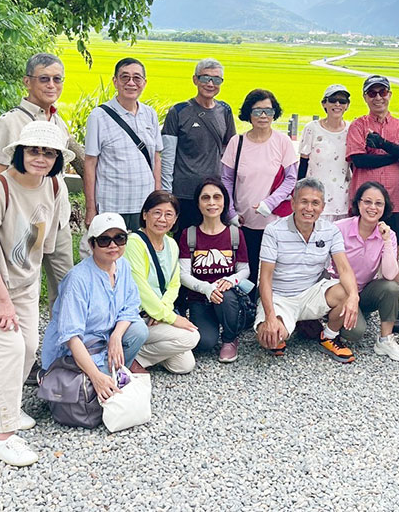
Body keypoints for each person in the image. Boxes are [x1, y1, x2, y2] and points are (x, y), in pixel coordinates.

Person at [0, 121, 71, 465]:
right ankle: (3, 436)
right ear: (20, 152)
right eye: (34, 150)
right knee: (9, 347)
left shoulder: (54, 187)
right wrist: (3, 299)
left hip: (23, 281)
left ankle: (2, 406)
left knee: (30, 346)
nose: (40, 157)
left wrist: (26, 287)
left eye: (48, 152)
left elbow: (45, 242)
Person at [0, 52, 84, 312]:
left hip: (58, 217)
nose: (51, 85)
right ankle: (17, 345)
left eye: (57, 79)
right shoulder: (9, 122)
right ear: (27, 82)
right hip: (22, 220)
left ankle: (62, 345)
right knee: (21, 285)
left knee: (66, 285)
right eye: (44, 79)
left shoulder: (57, 121)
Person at [41, 213, 149, 422]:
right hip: (77, 349)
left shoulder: (123, 266)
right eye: (104, 240)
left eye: (119, 238)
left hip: (105, 340)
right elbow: (71, 338)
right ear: (92, 244)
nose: (113, 245)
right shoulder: (78, 280)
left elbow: (130, 307)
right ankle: (93, 378)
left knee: (138, 330)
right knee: (103, 389)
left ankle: (113, 373)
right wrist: (96, 377)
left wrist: (117, 337)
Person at [254, 178, 361, 363]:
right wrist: (270, 317)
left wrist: (354, 297)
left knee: (345, 291)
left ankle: (328, 336)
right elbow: (265, 278)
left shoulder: (330, 230)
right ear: (293, 203)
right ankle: (288, 326)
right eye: (304, 201)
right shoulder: (273, 230)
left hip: (312, 293)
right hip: (281, 297)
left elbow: (344, 269)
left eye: (315, 203)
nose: (309, 208)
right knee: (268, 339)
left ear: (323, 206)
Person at [221, 89, 298, 294]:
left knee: (273, 267)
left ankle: (270, 308)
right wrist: (230, 213)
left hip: (274, 220)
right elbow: (226, 179)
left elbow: (291, 178)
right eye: (257, 111)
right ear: (248, 113)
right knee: (247, 267)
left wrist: (269, 203)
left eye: (268, 111)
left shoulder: (282, 142)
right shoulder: (237, 143)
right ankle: (247, 310)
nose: (263, 116)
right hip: (243, 221)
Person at [332, 182, 399, 361]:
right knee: (355, 333)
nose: (372, 207)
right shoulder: (340, 228)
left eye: (378, 203)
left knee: (391, 287)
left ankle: (385, 340)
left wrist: (387, 242)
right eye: (367, 202)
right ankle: (330, 318)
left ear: (385, 207)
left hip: (364, 292)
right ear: (358, 204)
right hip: (340, 292)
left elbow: (390, 275)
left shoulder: (387, 234)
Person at [84, 57, 161, 233]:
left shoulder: (150, 114)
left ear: (144, 82)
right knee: (110, 254)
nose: (131, 83)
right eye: (124, 77)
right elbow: (90, 163)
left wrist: (157, 198)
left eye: (137, 78)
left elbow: (156, 158)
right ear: (115, 81)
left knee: (141, 254)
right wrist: (90, 208)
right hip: (112, 204)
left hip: (144, 205)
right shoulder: (98, 116)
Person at [177, 179, 251, 363]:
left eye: (217, 197)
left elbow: (245, 269)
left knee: (224, 295)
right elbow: (183, 273)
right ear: (198, 203)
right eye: (206, 198)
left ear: (224, 202)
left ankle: (229, 338)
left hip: (228, 297)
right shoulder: (189, 234)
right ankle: (212, 328)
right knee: (205, 343)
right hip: (199, 299)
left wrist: (230, 280)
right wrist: (205, 288)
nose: (212, 203)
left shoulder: (234, 234)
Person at [126, 190, 200, 372]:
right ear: (145, 214)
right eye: (157, 213)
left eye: (169, 214)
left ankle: (138, 354)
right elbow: (139, 288)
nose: (162, 219)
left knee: (183, 366)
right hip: (137, 318)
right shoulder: (134, 243)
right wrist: (172, 318)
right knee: (191, 337)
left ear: (175, 219)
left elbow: (174, 284)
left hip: (157, 315)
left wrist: (162, 312)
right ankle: (133, 360)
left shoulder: (171, 244)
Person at [161, 58, 236, 231]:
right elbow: (168, 157)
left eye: (216, 80)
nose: (210, 84)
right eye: (205, 78)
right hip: (184, 192)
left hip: (214, 194)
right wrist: (166, 194)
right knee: (184, 242)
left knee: (212, 240)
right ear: (195, 79)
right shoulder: (179, 111)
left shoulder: (225, 110)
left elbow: (229, 150)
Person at [346, 75, 399, 245]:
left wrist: (382, 144)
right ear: (365, 97)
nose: (378, 97)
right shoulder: (358, 125)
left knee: (392, 252)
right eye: (372, 93)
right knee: (360, 250)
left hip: (396, 202)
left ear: (390, 95)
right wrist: (396, 153)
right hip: (364, 203)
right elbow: (360, 160)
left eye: (383, 92)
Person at [298, 84, 351, 223]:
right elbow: (303, 164)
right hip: (314, 199)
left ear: (347, 105)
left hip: (342, 200)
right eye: (333, 100)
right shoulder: (312, 128)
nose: (337, 104)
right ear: (324, 104)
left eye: (342, 101)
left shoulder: (351, 130)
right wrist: (298, 193)